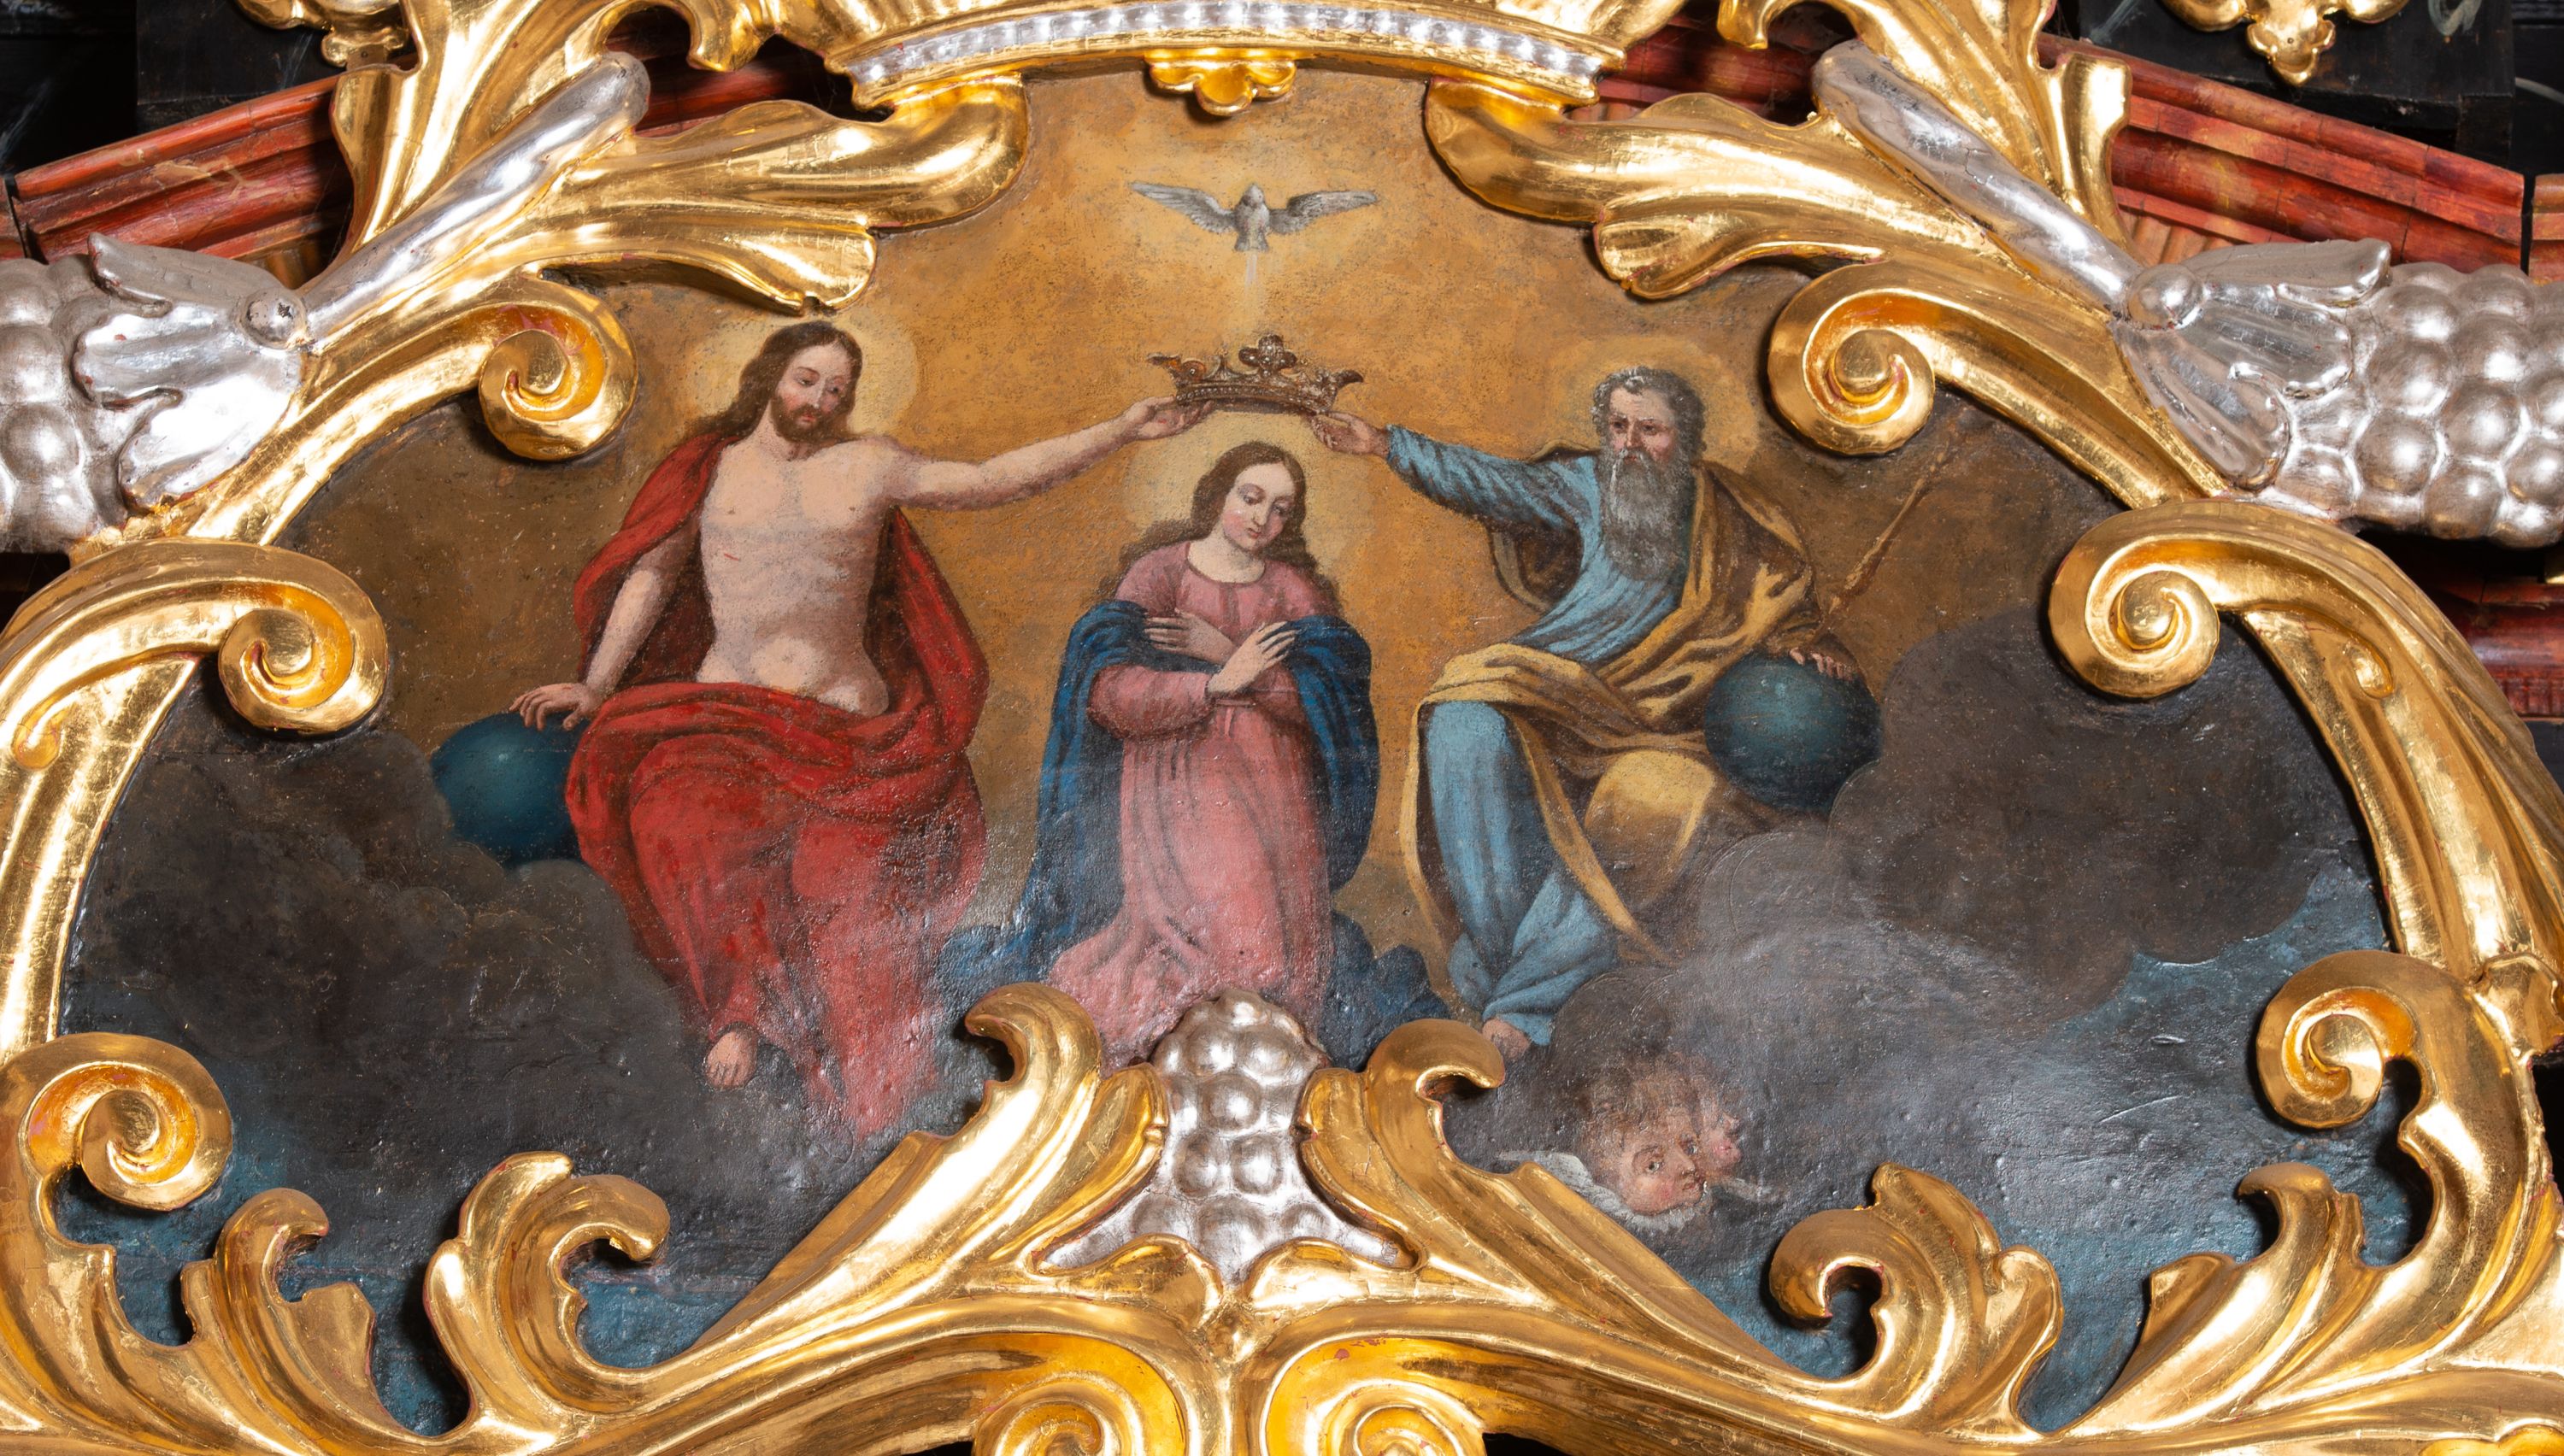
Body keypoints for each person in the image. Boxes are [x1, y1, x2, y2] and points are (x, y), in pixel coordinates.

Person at [512, 320, 1201, 1133]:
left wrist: (1121, 429)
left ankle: (873, 1114)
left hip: (852, 738)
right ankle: (740, 1013)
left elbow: (991, 480)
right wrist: (596, 684)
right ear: (771, 376)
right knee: (677, 819)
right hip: (724, 719)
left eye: (837, 389)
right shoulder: (710, 470)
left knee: (847, 907)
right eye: (807, 380)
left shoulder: (868, 466)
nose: (819, 401)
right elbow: (653, 572)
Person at [1307, 367, 1852, 1060]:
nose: (1630, 445)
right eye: (1618, 427)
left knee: (1646, 806)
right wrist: (1387, 445)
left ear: (1685, 439)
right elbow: (1494, 483)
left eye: (1650, 430)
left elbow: (1784, 606)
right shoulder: (1588, 485)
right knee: (1461, 716)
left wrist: (1809, 646)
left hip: (1675, 719)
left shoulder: (1737, 518)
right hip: (1567, 681)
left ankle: (1525, 1006)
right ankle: (1512, 961)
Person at [990, 442, 1379, 1059]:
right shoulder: (1162, 574)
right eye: (1251, 497)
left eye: (1280, 509)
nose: (1262, 519)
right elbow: (1110, 693)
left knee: (1278, 964)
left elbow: (1326, 707)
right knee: (1227, 954)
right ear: (1218, 494)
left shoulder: (1292, 591)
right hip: (1180, 794)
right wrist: (1212, 686)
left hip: (1278, 799)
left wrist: (1229, 656)